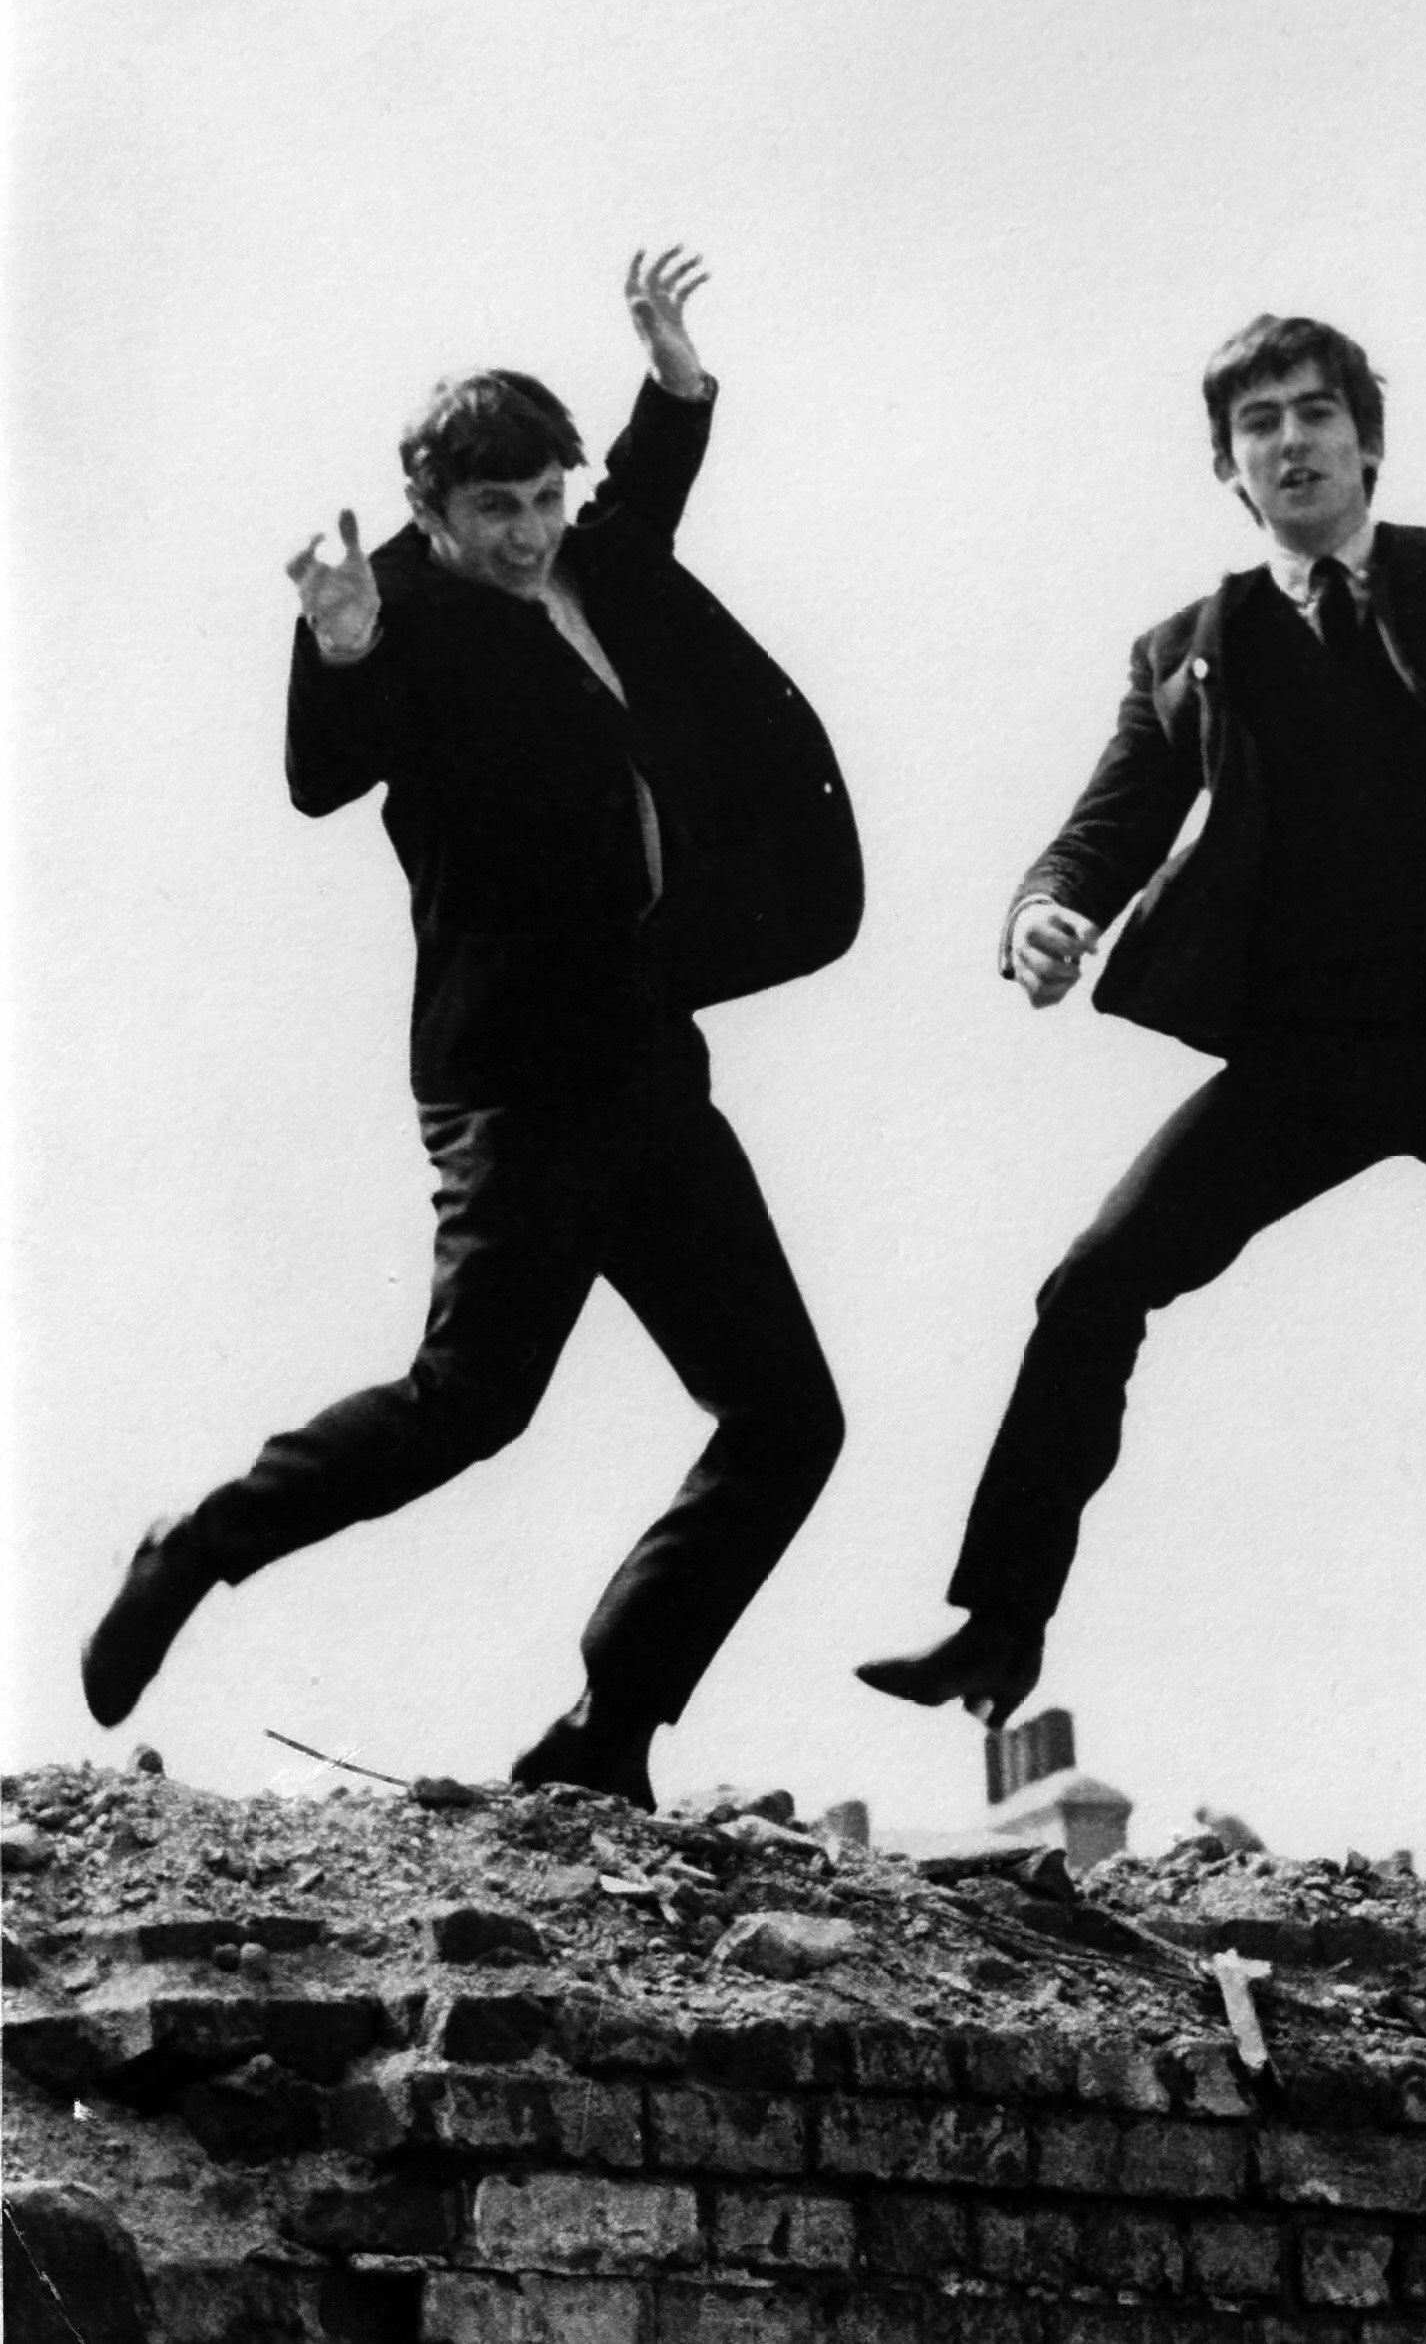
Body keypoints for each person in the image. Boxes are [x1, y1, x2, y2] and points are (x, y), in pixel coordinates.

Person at [858, 316, 1426, 1731]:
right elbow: (1101, 830)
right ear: (1229, 468)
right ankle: (997, 1623)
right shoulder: (1190, 649)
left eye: (1316, 412)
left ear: (1367, 441)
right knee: (1094, 1284)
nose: (1291, 440)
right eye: (1259, 422)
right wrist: (1042, 917)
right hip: (1302, 1058)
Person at [79, 252, 862, 1807]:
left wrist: (675, 380)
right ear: (432, 513)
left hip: (651, 1064)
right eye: (491, 512)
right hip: (517, 1088)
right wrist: (348, 643)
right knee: (470, 1408)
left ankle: (604, 1734)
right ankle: (195, 1550)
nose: (525, 537)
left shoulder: (593, 562)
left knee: (787, 1419)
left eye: (542, 502)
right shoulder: (416, 617)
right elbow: (326, 772)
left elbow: (647, 487)